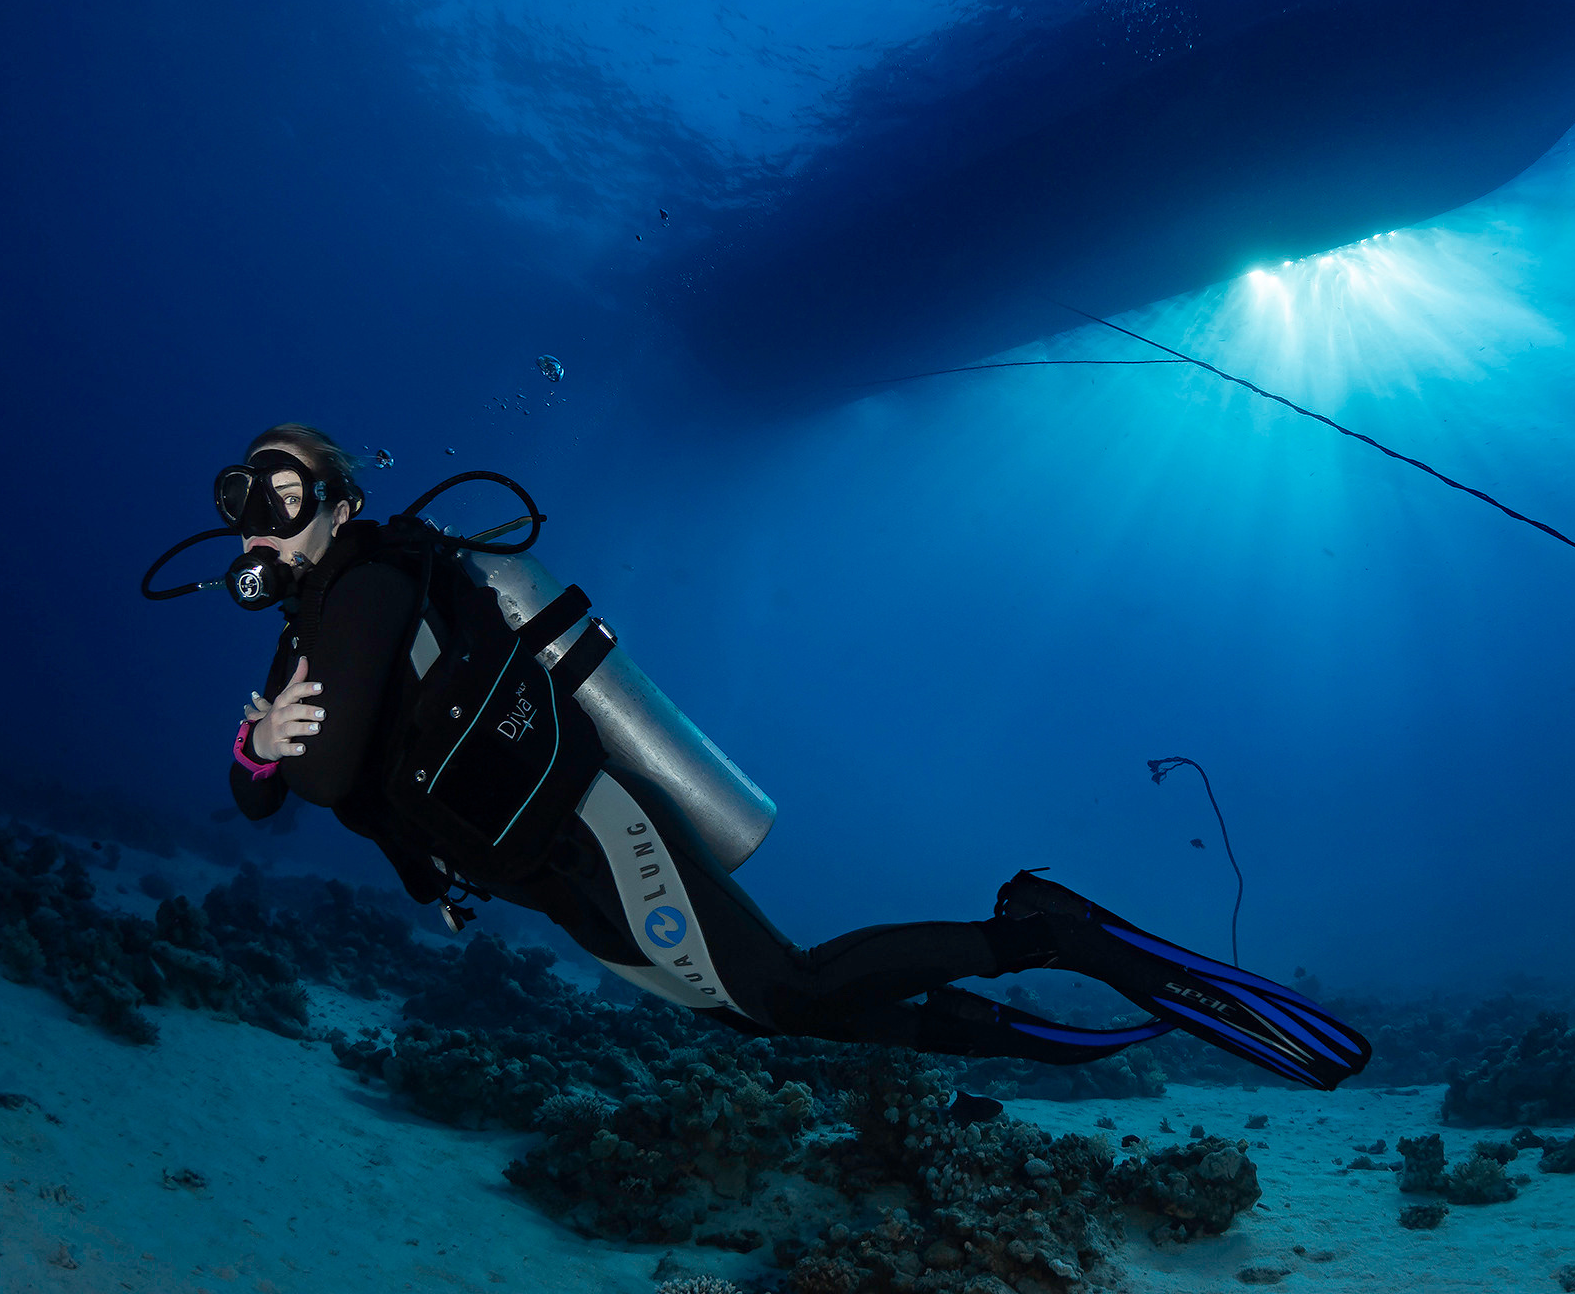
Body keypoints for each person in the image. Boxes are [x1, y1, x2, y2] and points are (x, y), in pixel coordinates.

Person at [217, 422, 1370, 1086]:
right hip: (541, 869)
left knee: (783, 987)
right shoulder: (306, 631)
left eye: (285, 490)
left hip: (584, 831)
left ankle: (1042, 932)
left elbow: (312, 781)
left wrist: (273, 747)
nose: (262, 516)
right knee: (751, 1013)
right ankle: (1008, 1024)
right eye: (244, 498)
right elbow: (261, 795)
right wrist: (263, 748)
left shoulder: (363, 588)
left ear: (340, 501)